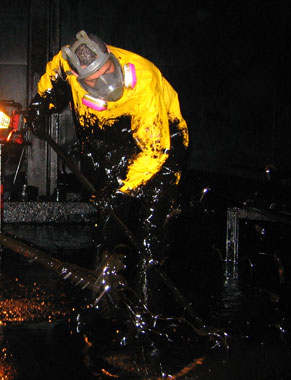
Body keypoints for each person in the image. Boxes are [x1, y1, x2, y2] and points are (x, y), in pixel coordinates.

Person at [27, 30, 190, 340]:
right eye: (93, 80)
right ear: (78, 76)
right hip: (110, 140)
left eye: (108, 72)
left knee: (150, 231)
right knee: (106, 226)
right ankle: (105, 301)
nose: (105, 84)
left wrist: (120, 189)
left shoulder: (145, 81)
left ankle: (145, 313)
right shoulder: (67, 66)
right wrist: (39, 104)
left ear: (112, 59)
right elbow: (52, 77)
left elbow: (154, 152)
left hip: (162, 142)